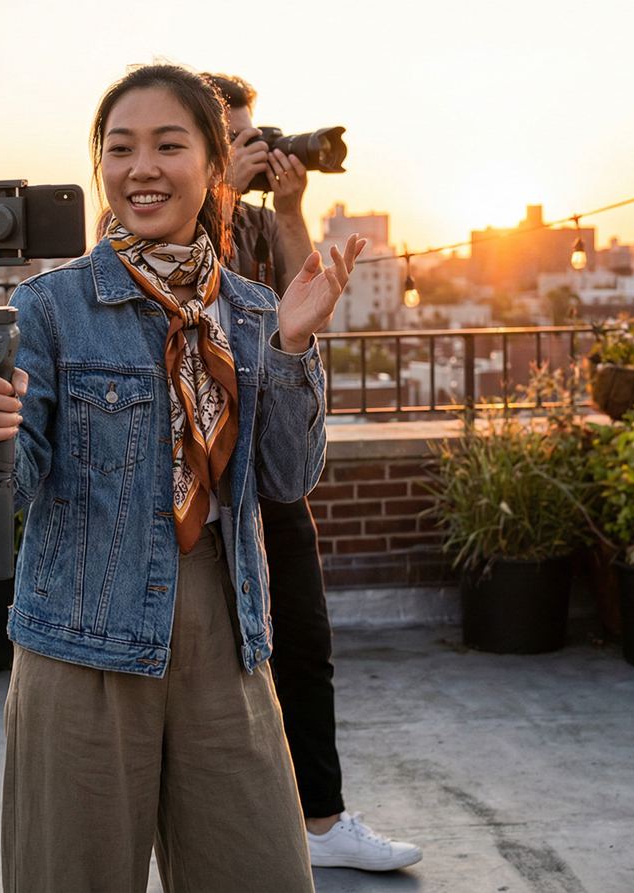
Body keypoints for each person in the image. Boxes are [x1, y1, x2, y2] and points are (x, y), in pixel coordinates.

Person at [0, 63, 366, 892]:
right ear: (100, 166)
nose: (142, 167)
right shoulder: (49, 309)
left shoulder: (251, 309)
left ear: (215, 169)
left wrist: (290, 348)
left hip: (226, 625)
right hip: (80, 636)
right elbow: (4, 490)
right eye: (120, 147)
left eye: (169, 145)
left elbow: (288, 477)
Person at [204, 71, 424, 873]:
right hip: (193, 477)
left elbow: (307, 295)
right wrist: (217, 193)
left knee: (305, 643)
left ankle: (322, 823)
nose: (257, 150)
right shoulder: (153, 218)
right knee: (204, 664)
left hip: (267, 461)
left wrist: (291, 211)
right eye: (236, 137)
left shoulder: (262, 224)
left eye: (254, 134)